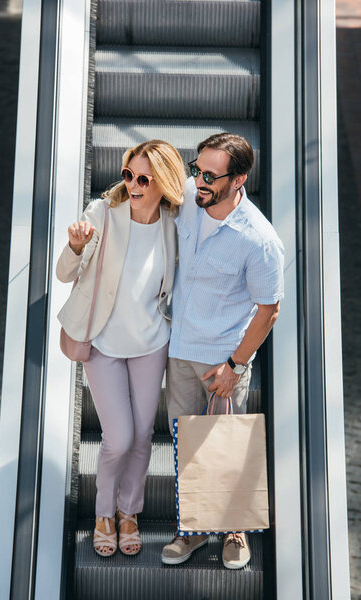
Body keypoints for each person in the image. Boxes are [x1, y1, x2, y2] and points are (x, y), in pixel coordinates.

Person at [56, 140, 186, 557]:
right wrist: (76, 247)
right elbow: (62, 274)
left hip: (151, 344)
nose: (132, 184)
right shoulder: (103, 214)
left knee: (144, 436)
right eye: (128, 174)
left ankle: (129, 512)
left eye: (143, 178)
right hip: (104, 346)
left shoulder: (175, 221)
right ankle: (103, 515)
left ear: (163, 182)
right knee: (118, 438)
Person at [161, 132, 284, 569]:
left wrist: (236, 365)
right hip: (180, 351)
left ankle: (234, 531)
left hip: (222, 360)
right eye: (197, 169)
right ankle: (191, 531)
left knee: (226, 447)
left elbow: (268, 310)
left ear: (240, 179)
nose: (199, 180)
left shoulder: (259, 239)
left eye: (211, 175)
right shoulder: (191, 199)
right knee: (186, 445)